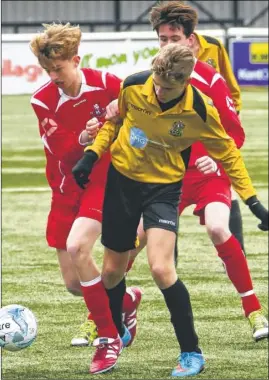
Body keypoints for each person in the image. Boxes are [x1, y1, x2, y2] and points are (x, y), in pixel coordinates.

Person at [72, 44, 268, 377]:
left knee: (162, 269)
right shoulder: (134, 85)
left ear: (186, 82)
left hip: (164, 188)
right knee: (111, 273)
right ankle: (118, 328)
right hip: (122, 183)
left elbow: (230, 155)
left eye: (168, 88)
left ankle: (191, 352)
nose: (159, 92)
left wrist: (254, 203)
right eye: (157, 84)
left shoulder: (200, 110)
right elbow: (113, 120)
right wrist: (91, 155)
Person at [30, 22, 143, 373]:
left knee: (80, 247)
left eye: (59, 69)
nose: (53, 76)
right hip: (65, 189)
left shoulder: (109, 84)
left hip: (103, 179)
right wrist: (83, 136)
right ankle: (125, 301)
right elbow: (63, 151)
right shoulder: (42, 100)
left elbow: (138, 122)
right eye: (47, 70)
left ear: (76, 60)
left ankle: (108, 338)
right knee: (75, 285)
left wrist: (122, 128)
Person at [149, 0, 246, 255]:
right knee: (164, 214)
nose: (169, 44)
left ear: (190, 39)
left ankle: (236, 255)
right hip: (173, 156)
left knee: (225, 195)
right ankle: (170, 269)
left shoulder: (211, 52)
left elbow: (229, 84)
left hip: (210, 140)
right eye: (163, 39)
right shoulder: (154, 74)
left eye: (175, 38)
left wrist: (229, 115)